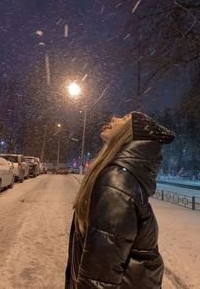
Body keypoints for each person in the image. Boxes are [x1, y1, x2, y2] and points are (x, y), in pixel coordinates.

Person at [65, 111, 174, 289]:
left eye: (124, 119)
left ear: (131, 135)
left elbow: (98, 278)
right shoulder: (121, 176)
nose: (114, 118)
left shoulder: (116, 182)